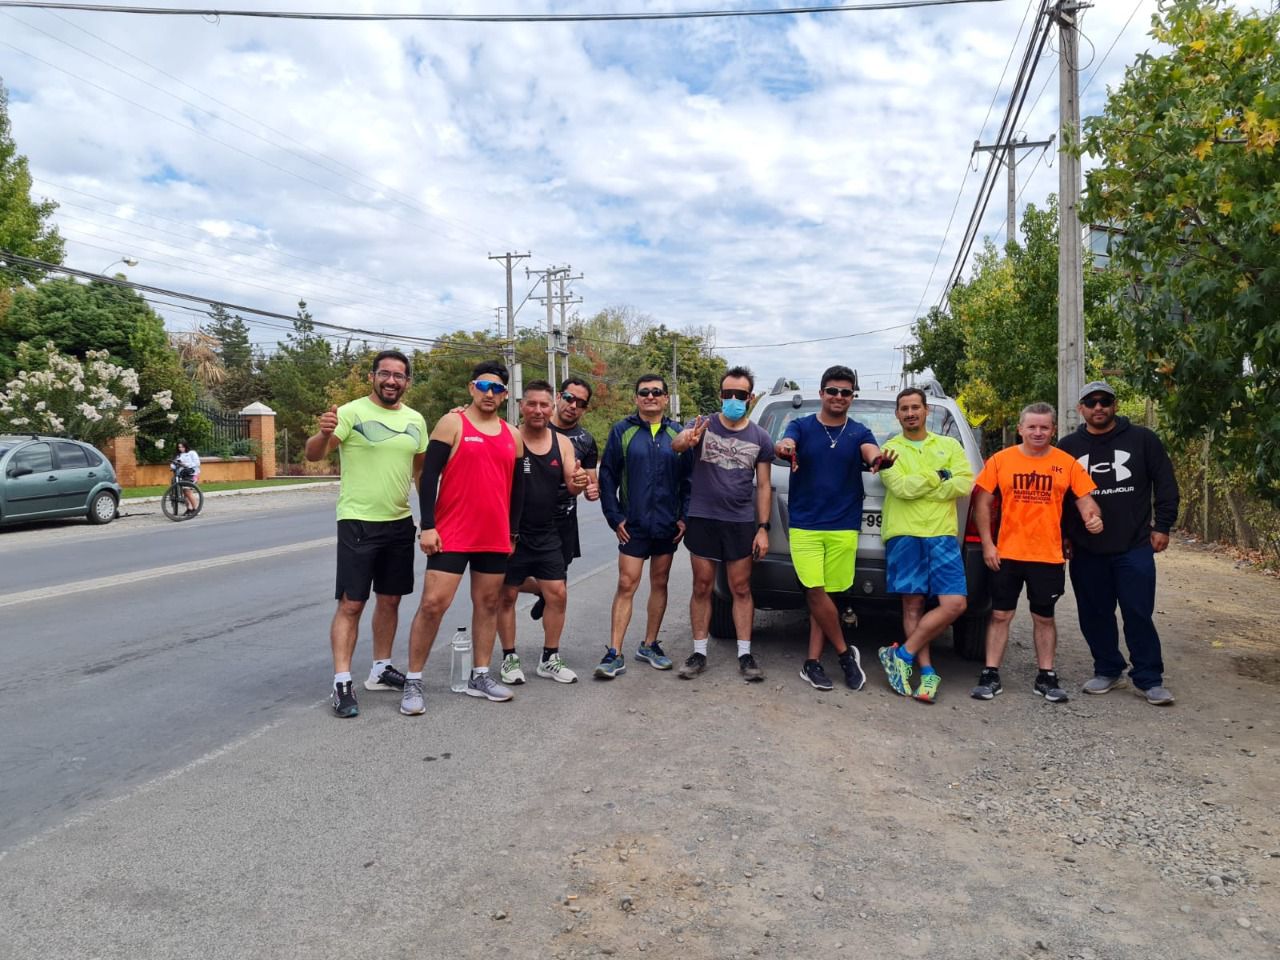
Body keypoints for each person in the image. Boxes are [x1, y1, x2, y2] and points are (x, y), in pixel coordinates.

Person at [305, 350, 427, 719]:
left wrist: (435, 519)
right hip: (358, 522)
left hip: (399, 522)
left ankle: (380, 668)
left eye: (399, 376)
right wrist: (324, 433)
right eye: (385, 374)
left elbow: (421, 474)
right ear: (373, 376)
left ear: (407, 382)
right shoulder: (350, 413)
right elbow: (314, 455)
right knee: (352, 603)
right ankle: (342, 681)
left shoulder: (416, 420)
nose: (392, 381)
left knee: (390, 600)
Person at [400, 360, 525, 715]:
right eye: (483, 387)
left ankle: (480, 675)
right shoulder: (452, 422)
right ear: (472, 388)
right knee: (432, 605)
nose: (489, 394)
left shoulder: (511, 435)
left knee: (488, 604)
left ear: (504, 395)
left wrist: (512, 531)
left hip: (494, 535)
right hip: (451, 533)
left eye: (497, 389)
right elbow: (428, 477)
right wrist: (428, 525)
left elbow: (518, 490)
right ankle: (413, 680)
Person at [969, 402, 1103, 703]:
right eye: (1032, 427)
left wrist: (1093, 518)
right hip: (1006, 554)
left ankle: (1046, 676)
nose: (1038, 432)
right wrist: (989, 544)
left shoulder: (1066, 463)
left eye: (1044, 427)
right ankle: (990, 674)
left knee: (1044, 616)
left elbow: (1086, 500)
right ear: (1020, 429)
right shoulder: (1000, 461)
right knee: (1000, 614)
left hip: (1047, 555)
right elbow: (982, 504)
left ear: (1053, 430)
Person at [1058, 381, 1180, 706]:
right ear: (1080, 408)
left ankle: (1149, 678)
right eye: (1091, 402)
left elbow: (1166, 484)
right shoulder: (1067, 447)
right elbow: (1059, 498)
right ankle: (1108, 668)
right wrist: (1064, 536)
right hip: (1087, 550)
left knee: (1138, 612)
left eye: (1105, 401)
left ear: (1114, 405)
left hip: (1134, 545)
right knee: (1094, 613)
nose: (1098, 407)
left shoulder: (1142, 440)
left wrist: (1163, 525)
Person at [774, 365, 891, 692]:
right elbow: (785, 441)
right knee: (814, 590)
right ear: (822, 393)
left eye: (846, 392)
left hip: (843, 526)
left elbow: (871, 452)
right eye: (833, 391)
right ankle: (844, 654)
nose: (839, 397)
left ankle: (812, 662)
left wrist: (879, 459)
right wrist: (785, 447)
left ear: (852, 396)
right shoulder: (801, 425)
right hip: (806, 525)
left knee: (827, 596)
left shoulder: (859, 432)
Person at [670, 366, 773, 682]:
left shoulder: (761, 437)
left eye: (739, 395)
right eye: (727, 393)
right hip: (703, 518)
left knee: (740, 587)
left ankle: (745, 654)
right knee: (702, 586)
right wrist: (687, 439)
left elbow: (765, 485)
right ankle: (699, 652)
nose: (732, 399)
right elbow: (676, 445)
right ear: (720, 395)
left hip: (740, 521)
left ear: (750, 398)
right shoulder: (702, 424)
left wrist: (763, 528)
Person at [875, 387, 974, 703]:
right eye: (904, 408)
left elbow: (964, 482)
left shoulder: (949, 444)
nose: (910, 413)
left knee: (955, 604)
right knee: (913, 604)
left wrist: (929, 482)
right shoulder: (889, 450)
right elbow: (901, 488)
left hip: (942, 534)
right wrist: (938, 476)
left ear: (926, 410)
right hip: (904, 533)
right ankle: (927, 673)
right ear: (897, 414)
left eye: (915, 407)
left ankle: (902, 655)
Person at [595, 373, 691, 679]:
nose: (650, 396)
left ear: (666, 399)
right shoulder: (622, 431)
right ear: (636, 398)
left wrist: (684, 517)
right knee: (627, 583)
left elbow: (689, 480)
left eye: (656, 392)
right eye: (644, 392)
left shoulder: (678, 433)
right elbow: (607, 476)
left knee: (659, 582)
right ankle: (614, 652)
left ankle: (649, 645)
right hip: (633, 524)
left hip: (666, 524)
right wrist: (615, 516)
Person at [496, 380, 588, 685]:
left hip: (548, 530)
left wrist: (581, 481)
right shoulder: (508, 436)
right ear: (521, 406)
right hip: (511, 532)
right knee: (506, 595)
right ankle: (509, 658)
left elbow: (572, 487)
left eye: (544, 405)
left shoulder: (561, 443)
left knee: (557, 594)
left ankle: (550, 657)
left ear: (552, 407)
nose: (538, 410)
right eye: (532, 404)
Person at [523, 377, 601, 621]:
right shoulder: (532, 425)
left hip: (563, 520)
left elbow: (590, 481)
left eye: (580, 402)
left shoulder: (586, 441)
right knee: (508, 579)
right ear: (558, 397)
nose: (573, 405)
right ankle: (542, 592)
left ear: (585, 408)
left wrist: (591, 490)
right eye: (568, 398)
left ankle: (551, 652)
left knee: (559, 584)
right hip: (525, 520)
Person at [174, 440, 201, 515]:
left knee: (188, 490)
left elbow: (197, 463)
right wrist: (174, 465)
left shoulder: (192, 453)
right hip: (184, 475)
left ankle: (196, 509)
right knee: (185, 492)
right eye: (179, 447)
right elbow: (174, 464)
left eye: (182, 447)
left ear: (186, 446)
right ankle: (189, 509)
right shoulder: (179, 455)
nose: (180, 448)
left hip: (193, 474)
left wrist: (185, 464)